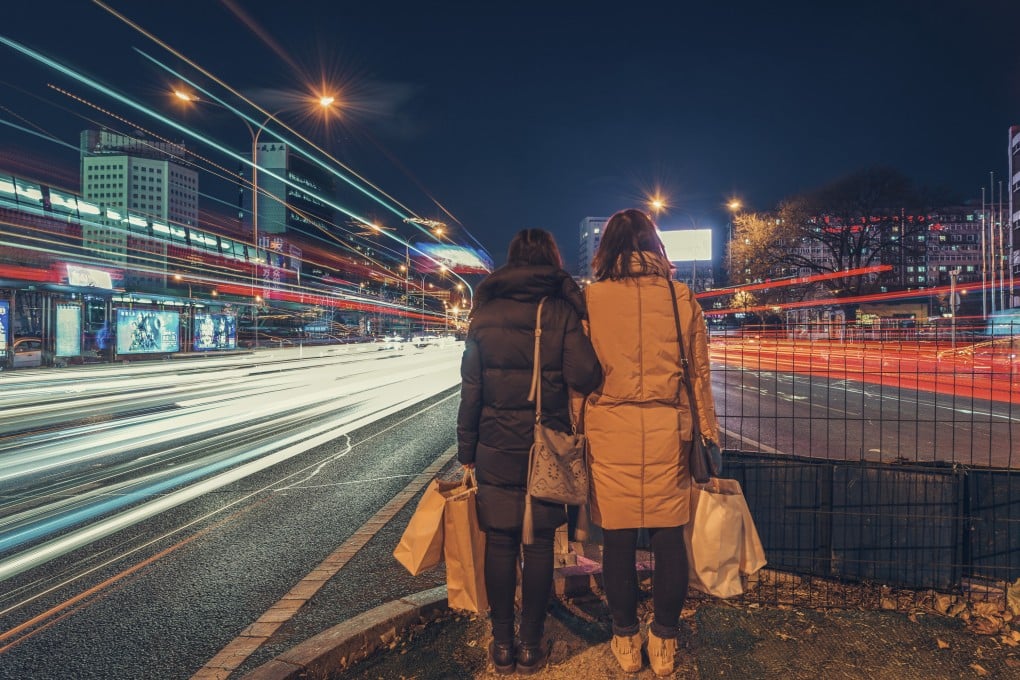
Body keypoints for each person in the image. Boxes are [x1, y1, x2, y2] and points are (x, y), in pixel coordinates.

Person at [458, 228, 601, 675]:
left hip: (494, 444)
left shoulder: (483, 313)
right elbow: (588, 375)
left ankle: (501, 645)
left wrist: (467, 452)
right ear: (552, 260)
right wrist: (577, 313)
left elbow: (471, 391)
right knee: (538, 544)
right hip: (547, 446)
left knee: (499, 541)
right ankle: (531, 645)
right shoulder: (558, 310)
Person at [584, 209, 721, 676]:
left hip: (609, 430)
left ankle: (625, 638)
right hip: (667, 427)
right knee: (669, 542)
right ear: (655, 245)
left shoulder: (591, 300)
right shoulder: (680, 298)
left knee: (616, 542)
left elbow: (578, 377)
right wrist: (709, 434)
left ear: (606, 248)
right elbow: (699, 375)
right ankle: (663, 640)